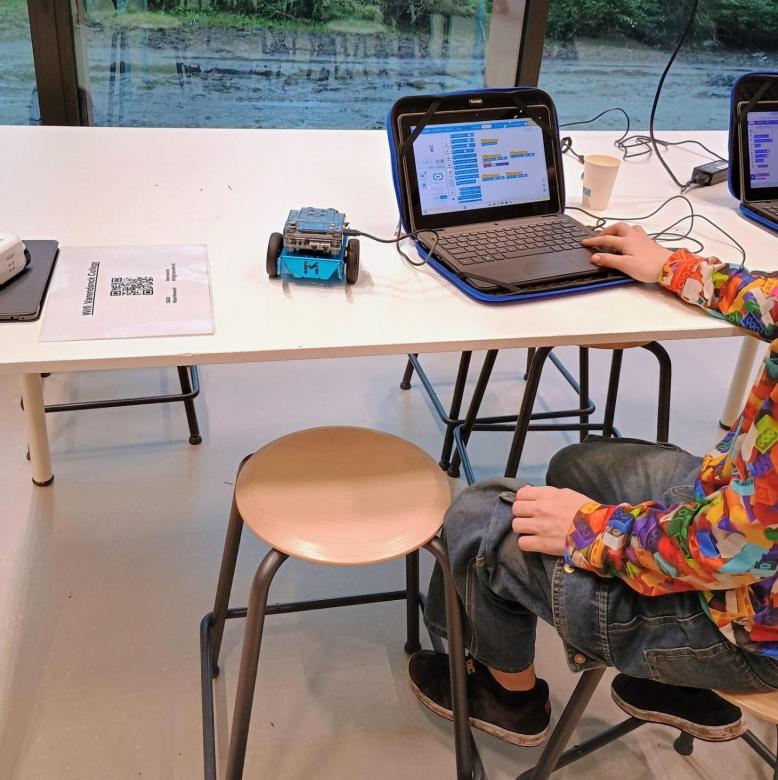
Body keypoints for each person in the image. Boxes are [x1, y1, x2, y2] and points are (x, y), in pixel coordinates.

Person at [410, 223, 778, 747]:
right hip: (736, 522)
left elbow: (728, 550)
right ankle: (671, 681)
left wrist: (588, 529)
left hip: (743, 625)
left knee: (478, 520)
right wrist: (670, 266)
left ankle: (510, 699)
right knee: (579, 467)